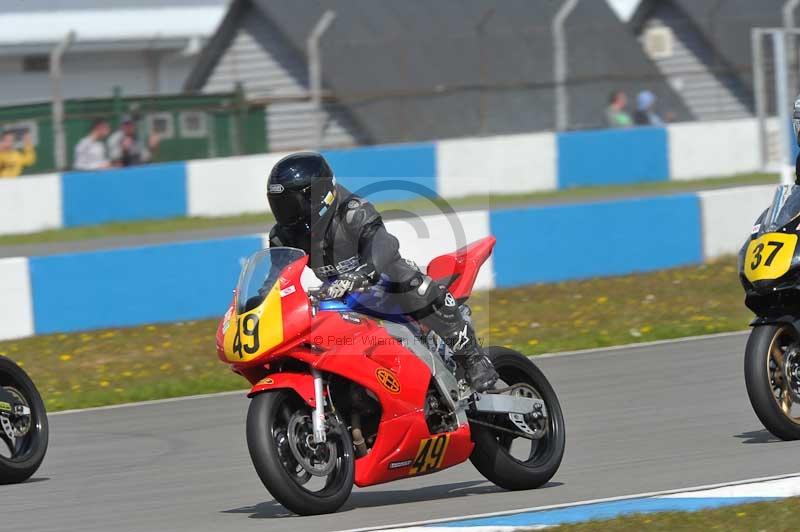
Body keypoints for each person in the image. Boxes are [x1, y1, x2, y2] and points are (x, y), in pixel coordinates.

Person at [266, 152, 499, 392]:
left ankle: (472, 358)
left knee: (411, 283)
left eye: (293, 205)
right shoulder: (284, 235)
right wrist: (260, 303)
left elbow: (384, 245)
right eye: (281, 206)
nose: (287, 214)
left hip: (384, 282)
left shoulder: (353, 212)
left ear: (320, 196)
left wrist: (363, 273)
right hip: (345, 299)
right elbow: (276, 278)